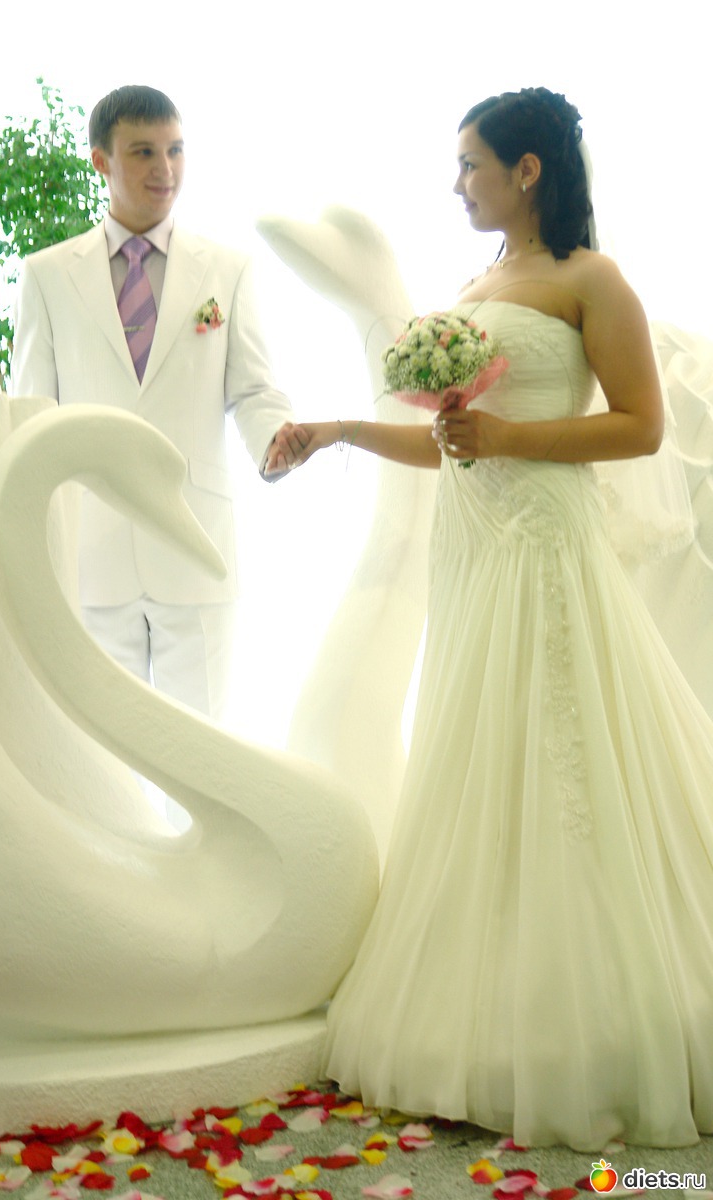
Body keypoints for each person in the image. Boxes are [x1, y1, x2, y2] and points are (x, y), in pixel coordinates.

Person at [269, 88, 713, 1150]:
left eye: (469, 163)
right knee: (481, 756)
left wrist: (508, 441)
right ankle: (486, 1007)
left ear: (527, 169)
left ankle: (594, 1019)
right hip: (470, 550)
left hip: (544, 548)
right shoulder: (474, 285)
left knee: (565, 757)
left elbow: (641, 429)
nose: (456, 183)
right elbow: (450, 445)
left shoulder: (590, 279)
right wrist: (337, 430)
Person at [12, 85, 302, 720]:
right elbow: (30, 413)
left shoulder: (227, 269)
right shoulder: (46, 276)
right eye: (143, 152)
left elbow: (254, 389)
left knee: (203, 742)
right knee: (98, 746)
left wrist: (275, 440)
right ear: (101, 160)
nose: (164, 169)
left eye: (175, 150)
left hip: (196, 543)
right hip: (90, 551)